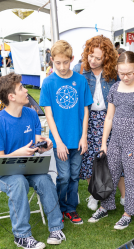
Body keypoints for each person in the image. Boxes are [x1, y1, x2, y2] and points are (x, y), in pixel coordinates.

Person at [0, 73, 65, 249]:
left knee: (45, 180)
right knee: (19, 182)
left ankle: (56, 229)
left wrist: (43, 146)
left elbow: (37, 144)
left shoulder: (31, 113)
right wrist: (17, 153)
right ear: (11, 97)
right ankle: (22, 236)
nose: (26, 90)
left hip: (27, 165)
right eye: (21, 88)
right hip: (3, 170)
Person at [88, 51, 134, 229]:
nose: (125, 77)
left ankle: (128, 213)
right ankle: (106, 206)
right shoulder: (115, 88)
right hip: (115, 139)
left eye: (129, 73)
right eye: (121, 73)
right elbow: (109, 118)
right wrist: (104, 143)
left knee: (132, 178)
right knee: (111, 173)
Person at [39, 40, 93, 225]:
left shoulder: (80, 80)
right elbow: (49, 115)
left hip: (77, 138)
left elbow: (86, 110)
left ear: (72, 59)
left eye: (65, 62)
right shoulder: (48, 83)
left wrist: (84, 136)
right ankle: (60, 207)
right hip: (60, 140)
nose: (62, 67)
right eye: (57, 63)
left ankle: (71, 208)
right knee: (63, 176)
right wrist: (58, 142)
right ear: (52, 60)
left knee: (74, 175)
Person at [78, 35, 125, 212]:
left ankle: (124, 195)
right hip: (89, 121)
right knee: (90, 159)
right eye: (91, 56)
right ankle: (94, 194)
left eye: (98, 58)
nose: (93, 61)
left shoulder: (113, 73)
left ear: (106, 57)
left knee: (114, 159)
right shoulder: (81, 71)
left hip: (110, 119)